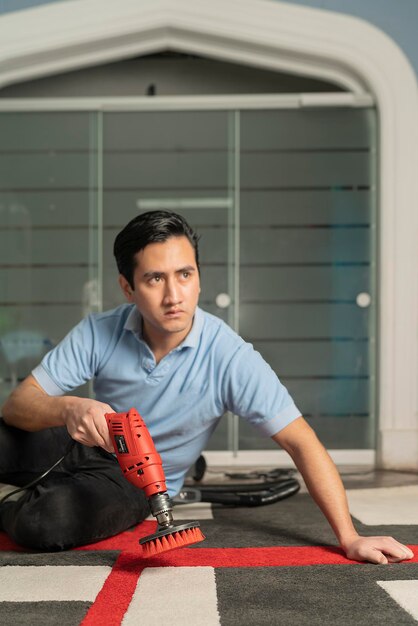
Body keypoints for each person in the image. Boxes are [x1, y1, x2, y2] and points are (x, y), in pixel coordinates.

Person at [0, 211, 413, 564]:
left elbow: (303, 442)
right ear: (128, 287)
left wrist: (350, 536)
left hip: (137, 482)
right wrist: (70, 408)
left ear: (199, 277)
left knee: (44, 521)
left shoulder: (230, 357)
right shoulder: (99, 331)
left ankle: (31, 496)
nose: (174, 295)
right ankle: (38, 484)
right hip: (78, 440)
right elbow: (17, 406)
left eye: (185, 274)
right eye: (154, 279)